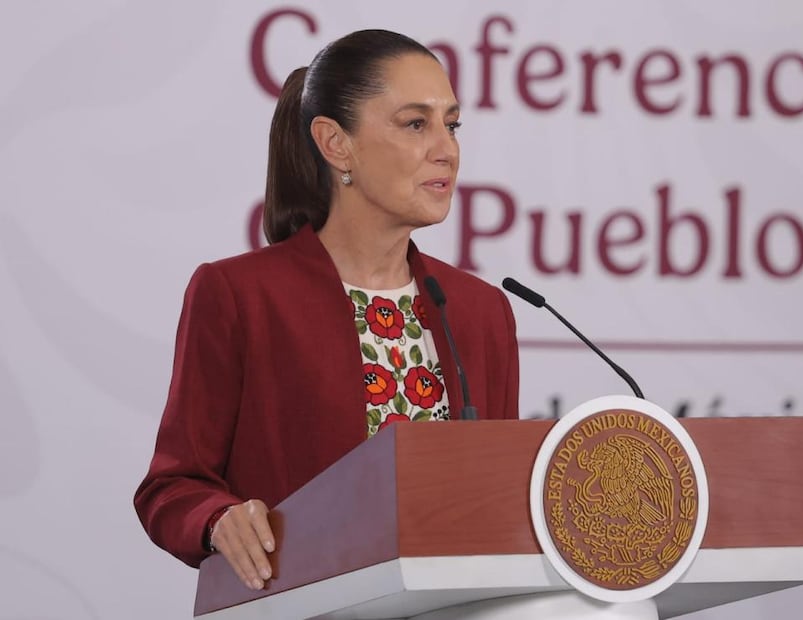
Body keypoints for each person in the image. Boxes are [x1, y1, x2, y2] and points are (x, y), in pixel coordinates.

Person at [134, 29, 520, 592]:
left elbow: (496, 498)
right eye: (416, 124)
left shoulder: (481, 311)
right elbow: (171, 488)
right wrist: (218, 519)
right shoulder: (239, 294)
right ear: (336, 144)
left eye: (452, 124)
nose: (447, 149)